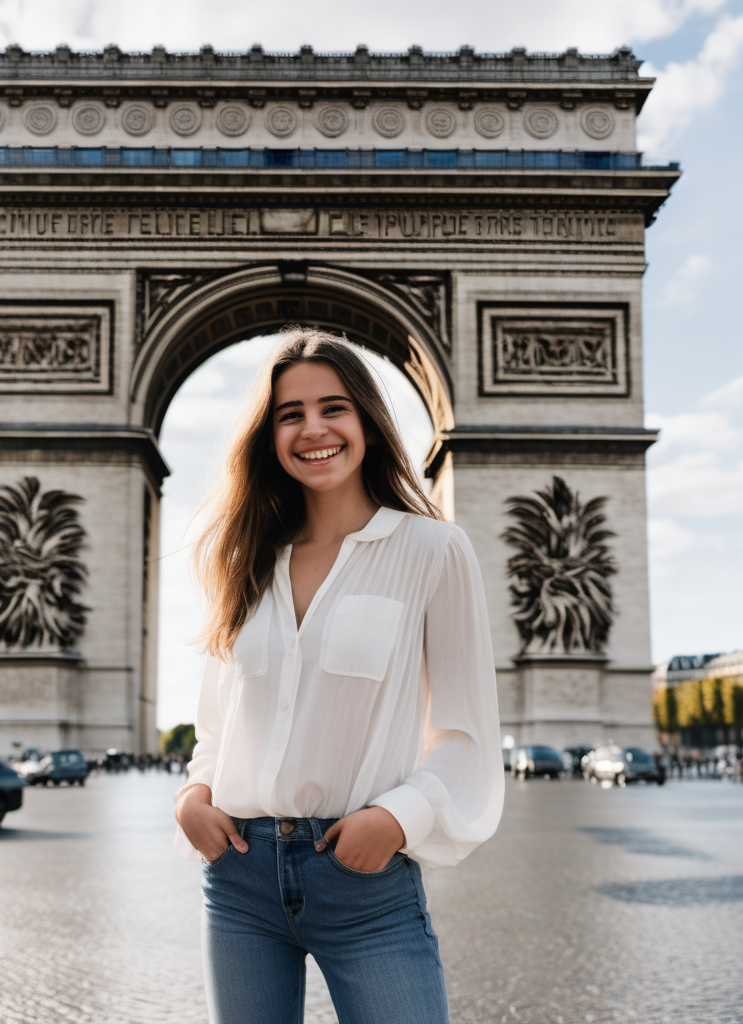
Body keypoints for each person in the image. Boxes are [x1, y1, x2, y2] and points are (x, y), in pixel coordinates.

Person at [173, 329, 504, 1024]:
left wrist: (396, 818)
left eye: (334, 407)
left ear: (370, 424)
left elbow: (466, 731)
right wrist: (193, 796)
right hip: (239, 881)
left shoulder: (433, 550)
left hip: (364, 879)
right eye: (290, 414)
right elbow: (219, 724)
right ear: (269, 436)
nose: (313, 429)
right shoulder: (245, 560)